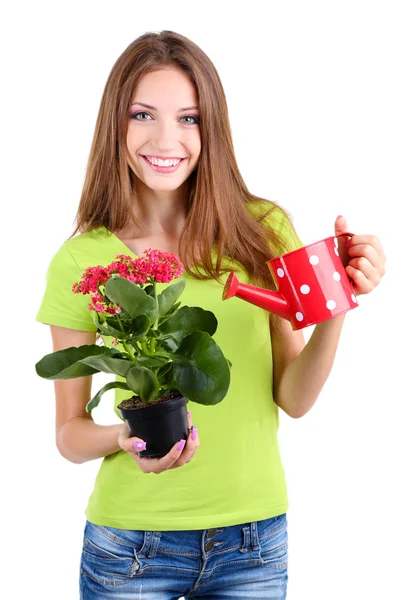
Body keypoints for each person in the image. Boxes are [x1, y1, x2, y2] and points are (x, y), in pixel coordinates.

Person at [35, 30, 386, 599]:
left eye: (190, 119)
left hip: (254, 540)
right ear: (114, 126)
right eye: (142, 114)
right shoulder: (83, 258)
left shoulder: (261, 230)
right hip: (131, 547)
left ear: (212, 129)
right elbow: (69, 436)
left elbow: (293, 399)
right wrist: (126, 437)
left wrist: (337, 304)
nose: (166, 138)